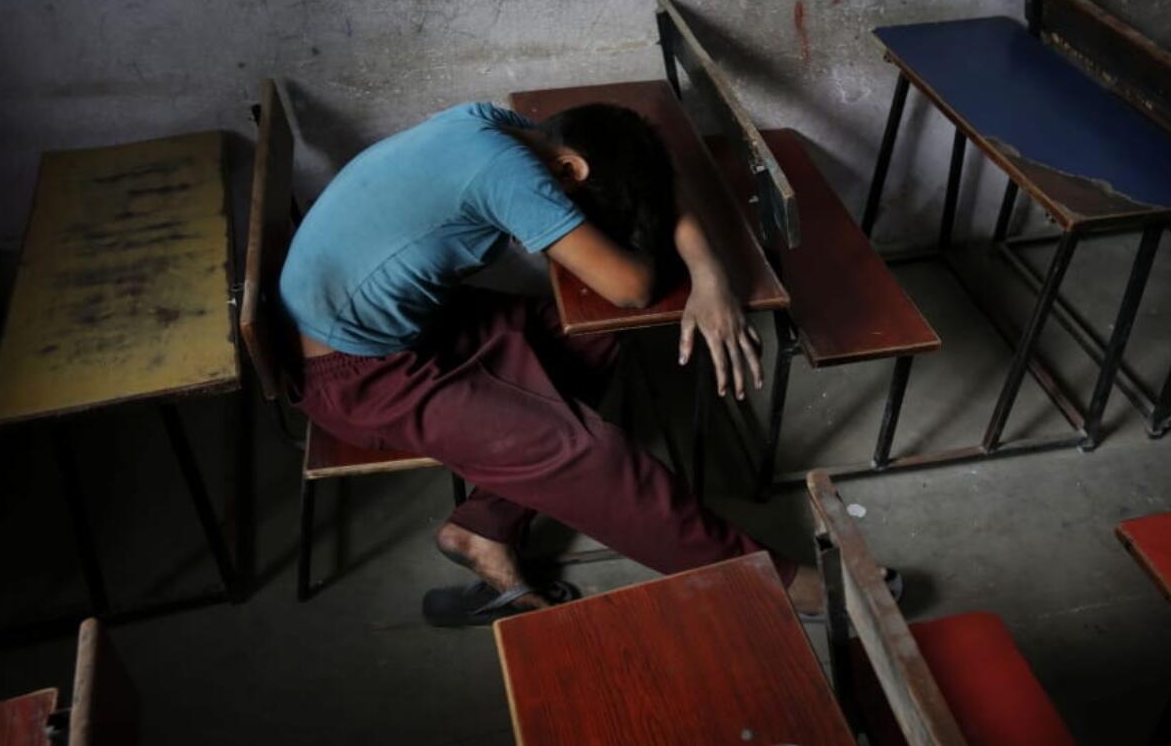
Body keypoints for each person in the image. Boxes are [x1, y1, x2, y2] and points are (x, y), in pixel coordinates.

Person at [279, 100, 824, 625]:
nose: (565, 213)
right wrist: (658, 242)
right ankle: (777, 581)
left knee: (594, 340)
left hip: (421, 329)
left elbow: (665, 175)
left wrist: (710, 276)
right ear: (569, 169)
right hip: (358, 376)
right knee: (595, 455)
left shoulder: (498, 125)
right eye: (568, 201)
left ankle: (483, 529)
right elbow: (631, 288)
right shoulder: (512, 175)